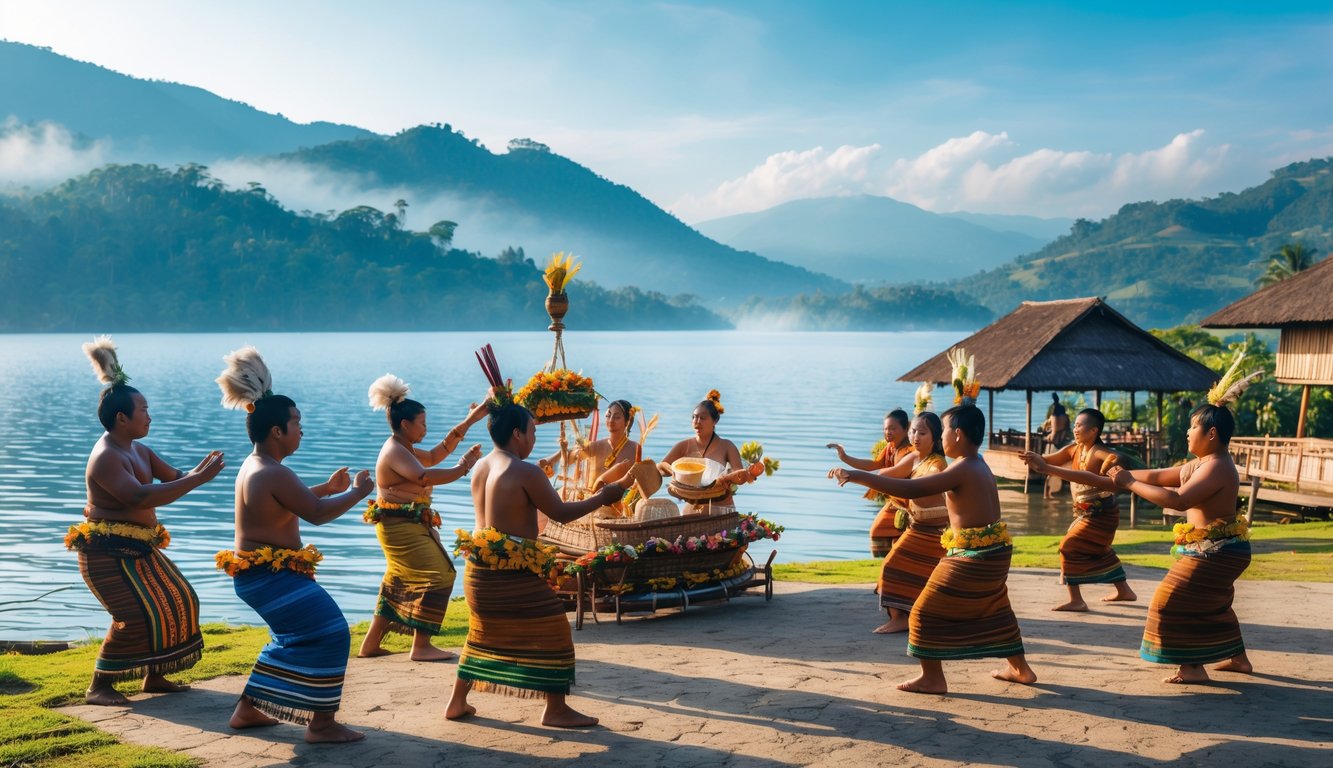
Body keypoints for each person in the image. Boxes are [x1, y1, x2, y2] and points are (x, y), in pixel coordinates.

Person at [214, 346, 374, 743]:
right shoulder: (271, 472)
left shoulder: (259, 466)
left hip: (263, 575)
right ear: (277, 431)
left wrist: (329, 488)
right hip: (269, 577)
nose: (302, 430)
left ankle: (249, 709)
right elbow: (315, 513)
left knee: (299, 636)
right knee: (331, 631)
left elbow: (289, 504)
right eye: (297, 422)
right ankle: (321, 724)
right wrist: (356, 493)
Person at [828, 404, 1036, 694]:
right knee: (996, 607)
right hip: (994, 551)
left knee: (922, 611)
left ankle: (932, 678)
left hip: (973, 556)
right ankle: (1020, 668)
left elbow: (912, 489)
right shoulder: (978, 462)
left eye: (945, 430)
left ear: (958, 434)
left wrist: (857, 476)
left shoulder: (962, 468)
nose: (941, 437)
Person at [446, 401, 628, 727]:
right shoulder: (525, 471)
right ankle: (555, 709)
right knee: (554, 629)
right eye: (532, 431)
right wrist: (604, 496)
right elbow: (560, 513)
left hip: (478, 573)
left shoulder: (482, 466)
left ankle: (457, 701)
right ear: (517, 434)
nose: (533, 438)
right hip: (511, 574)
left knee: (482, 633)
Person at [70, 337, 225, 706]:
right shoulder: (106, 456)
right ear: (122, 418)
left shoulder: (139, 449)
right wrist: (196, 480)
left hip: (139, 546)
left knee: (180, 598)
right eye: (144, 410)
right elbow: (139, 497)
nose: (149, 416)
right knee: (133, 614)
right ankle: (99, 686)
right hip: (105, 552)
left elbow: (173, 477)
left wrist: (197, 473)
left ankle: (154, 675)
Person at [356, 374, 488, 662]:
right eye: (422, 423)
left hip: (404, 525)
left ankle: (371, 644)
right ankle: (421, 646)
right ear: (406, 424)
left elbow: (436, 454)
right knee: (440, 573)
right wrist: (464, 467)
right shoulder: (395, 450)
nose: (426, 428)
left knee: (398, 579)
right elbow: (424, 476)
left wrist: (472, 419)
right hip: (400, 527)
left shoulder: (404, 448)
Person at [1020, 408, 1137, 610]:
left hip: (1102, 512)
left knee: (1069, 546)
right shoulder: (1073, 449)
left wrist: (1112, 461)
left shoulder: (1097, 451)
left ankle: (1077, 600)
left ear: (1093, 431)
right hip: (1085, 512)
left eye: (1080, 425)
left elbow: (1115, 456)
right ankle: (1124, 591)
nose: (1075, 429)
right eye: (1074, 425)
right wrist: (1034, 457)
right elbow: (1049, 460)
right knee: (1099, 550)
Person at [870, 412, 949, 634]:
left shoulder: (937, 464)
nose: (915, 436)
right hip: (917, 528)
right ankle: (902, 617)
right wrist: (857, 475)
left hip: (935, 532)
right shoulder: (915, 457)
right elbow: (887, 474)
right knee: (894, 567)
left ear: (935, 437)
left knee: (895, 566)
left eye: (922, 433)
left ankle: (904, 618)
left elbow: (922, 485)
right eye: (913, 431)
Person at [827, 409, 913, 558]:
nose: (888, 432)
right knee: (879, 533)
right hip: (895, 503)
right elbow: (873, 465)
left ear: (906, 430)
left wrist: (851, 475)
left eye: (893, 428)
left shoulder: (909, 451)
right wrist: (844, 457)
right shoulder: (890, 447)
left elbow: (885, 474)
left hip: (909, 506)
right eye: (886, 429)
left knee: (886, 536)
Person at [657, 390, 762, 511]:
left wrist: (736, 476)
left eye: (702, 418)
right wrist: (673, 471)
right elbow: (660, 468)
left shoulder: (727, 446)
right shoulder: (683, 446)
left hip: (722, 510)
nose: (697, 422)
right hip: (691, 511)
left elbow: (740, 477)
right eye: (694, 417)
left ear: (715, 421)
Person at [538, 398, 640, 491]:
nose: (611, 420)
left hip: (618, 501)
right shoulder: (595, 446)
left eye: (617, 417)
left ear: (627, 421)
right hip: (593, 500)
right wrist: (553, 459)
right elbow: (571, 456)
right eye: (608, 415)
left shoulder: (634, 448)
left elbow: (627, 479)